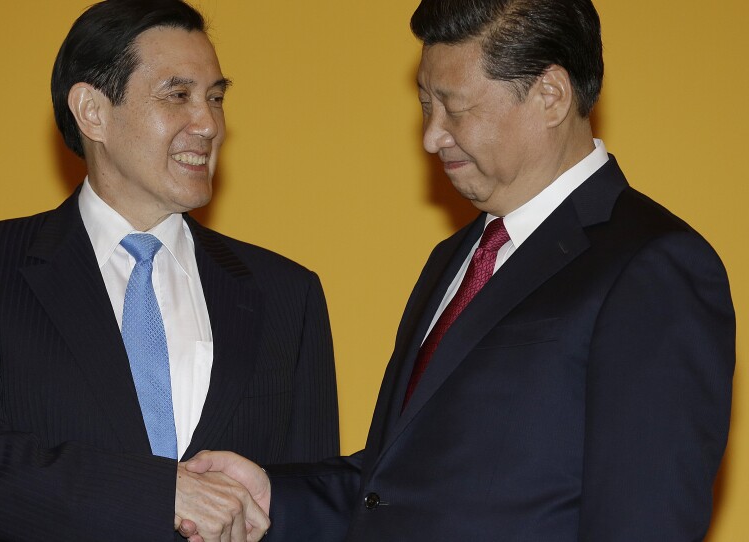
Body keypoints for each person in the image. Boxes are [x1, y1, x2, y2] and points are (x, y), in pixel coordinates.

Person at [183, 0, 736, 540]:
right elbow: (398, 484)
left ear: (550, 95)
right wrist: (271, 494)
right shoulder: (458, 255)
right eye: (426, 104)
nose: (431, 136)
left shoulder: (651, 266)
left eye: (455, 106)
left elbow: (643, 519)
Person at [0, 1, 339, 541]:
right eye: (177, 95)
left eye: (216, 98)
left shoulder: (286, 293)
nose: (208, 123)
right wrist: (160, 494)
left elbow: (315, 505)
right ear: (92, 111)